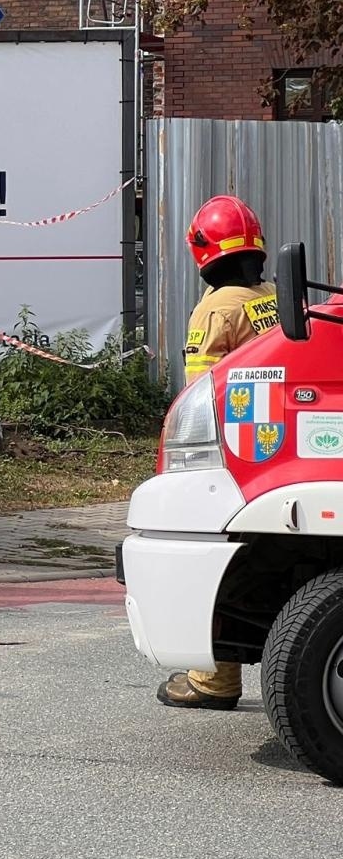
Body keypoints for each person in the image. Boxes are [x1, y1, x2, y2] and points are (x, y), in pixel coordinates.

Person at [157, 194, 276, 711]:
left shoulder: (216, 309)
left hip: (227, 453)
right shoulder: (272, 296)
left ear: (203, 251)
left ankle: (213, 681)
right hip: (271, 447)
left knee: (213, 556)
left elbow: (199, 392)